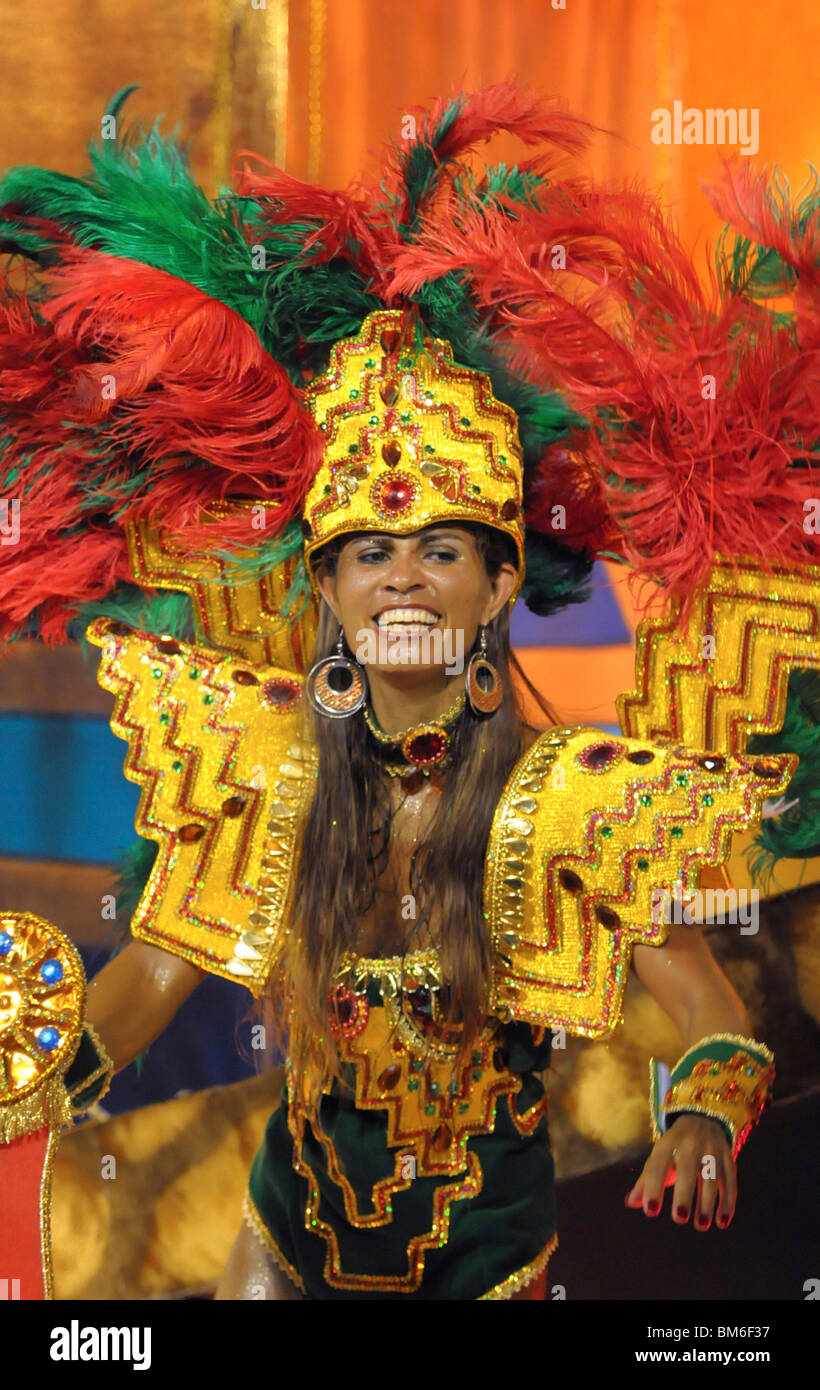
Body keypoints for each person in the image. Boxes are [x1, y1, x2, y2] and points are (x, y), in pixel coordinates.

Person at [1, 85, 814, 1301]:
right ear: (328, 592)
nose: (403, 582)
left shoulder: (566, 805)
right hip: (280, 1255)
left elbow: (704, 1001)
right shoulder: (265, 771)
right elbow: (157, 975)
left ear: (496, 589)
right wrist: (45, 1075)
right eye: (371, 555)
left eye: (441, 551)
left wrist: (700, 1108)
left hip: (492, 1270)